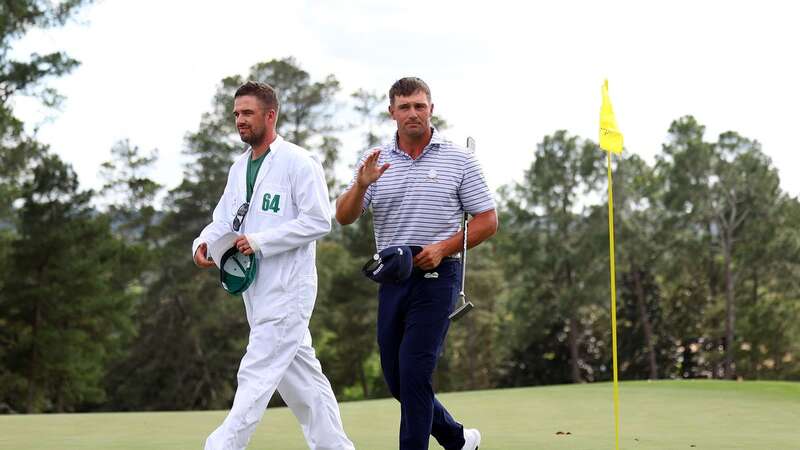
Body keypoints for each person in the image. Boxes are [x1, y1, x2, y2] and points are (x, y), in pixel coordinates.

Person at [335, 77, 498, 450]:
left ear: (431, 109)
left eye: (419, 105)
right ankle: (458, 439)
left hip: (438, 277)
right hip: (393, 278)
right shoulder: (376, 162)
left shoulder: (459, 159)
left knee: (414, 372)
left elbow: (488, 220)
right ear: (392, 111)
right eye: (405, 106)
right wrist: (361, 185)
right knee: (397, 378)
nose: (413, 113)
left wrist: (444, 247)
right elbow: (344, 217)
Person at [193, 81, 354, 450]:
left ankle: (221, 446)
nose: (239, 121)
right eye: (236, 114)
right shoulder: (238, 168)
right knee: (304, 383)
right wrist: (202, 244)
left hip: (288, 290)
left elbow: (319, 221)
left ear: (270, 115)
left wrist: (261, 242)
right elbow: (223, 221)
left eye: (247, 113)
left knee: (256, 371)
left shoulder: (300, 162)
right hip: (255, 290)